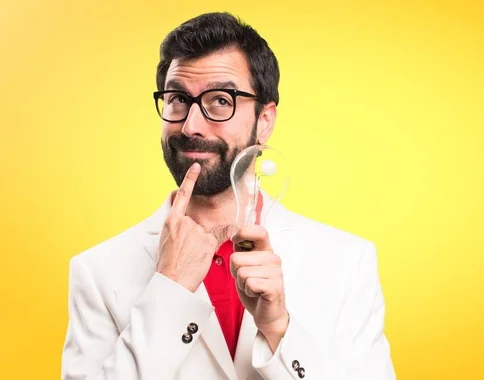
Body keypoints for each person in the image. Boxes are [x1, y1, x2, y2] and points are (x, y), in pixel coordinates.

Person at [61, 12, 396, 380]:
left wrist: (280, 330)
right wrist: (169, 292)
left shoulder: (347, 262)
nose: (190, 125)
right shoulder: (96, 271)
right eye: (176, 99)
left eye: (221, 100)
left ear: (264, 121)